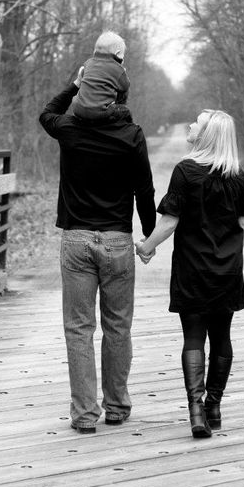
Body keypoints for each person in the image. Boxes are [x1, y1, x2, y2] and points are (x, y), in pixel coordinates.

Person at [39, 65, 156, 435]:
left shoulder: (69, 129)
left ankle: (85, 415)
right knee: (117, 326)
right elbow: (145, 190)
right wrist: (149, 238)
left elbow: (47, 113)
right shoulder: (131, 134)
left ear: (85, 92)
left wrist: (74, 83)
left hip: (76, 240)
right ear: (119, 96)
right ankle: (118, 406)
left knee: (78, 330)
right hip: (118, 241)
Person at [135, 110, 244, 439]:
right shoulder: (237, 176)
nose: (191, 125)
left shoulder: (186, 172)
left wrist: (146, 247)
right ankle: (214, 406)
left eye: (197, 123)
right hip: (227, 271)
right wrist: (230, 253)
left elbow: (170, 222)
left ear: (206, 135)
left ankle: (196, 410)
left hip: (191, 267)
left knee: (193, 337)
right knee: (222, 338)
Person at [71, 31, 130, 121]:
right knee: (125, 111)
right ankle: (126, 128)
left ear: (95, 51)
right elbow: (125, 86)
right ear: (118, 54)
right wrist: (122, 72)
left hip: (77, 109)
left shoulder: (88, 63)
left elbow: (82, 76)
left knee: (80, 95)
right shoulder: (117, 69)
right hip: (99, 113)